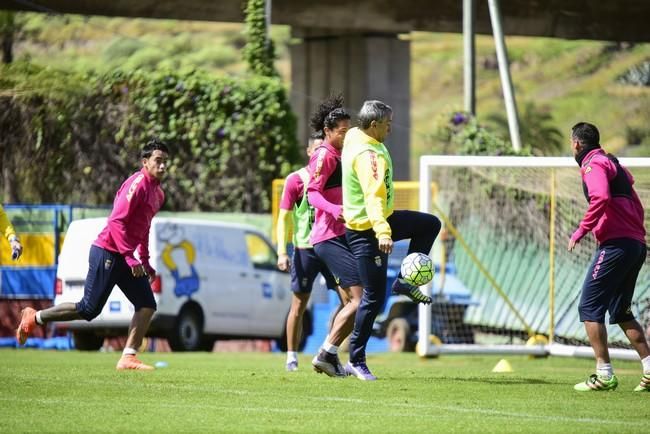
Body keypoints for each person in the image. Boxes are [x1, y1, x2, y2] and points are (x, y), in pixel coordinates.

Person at [16, 139, 170, 371]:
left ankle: (128, 357)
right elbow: (116, 221)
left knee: (147, 304)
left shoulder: (158, 194)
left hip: (126, 256)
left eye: (166, 162)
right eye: (158, 161)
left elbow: (144, 227)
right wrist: (129, 257)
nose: (163, 166)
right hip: (107, 251)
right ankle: (34, 317)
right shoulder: (136, 184)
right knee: (89, 309)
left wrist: (145, 260)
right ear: (145, 162)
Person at [342, 100, 441, 380]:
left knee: (429, 224)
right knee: (372, 299)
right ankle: (356, 360)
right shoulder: (369, 156)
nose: (391, 128)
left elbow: (346, 133)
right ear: (373, 125)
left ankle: (404, 281)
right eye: (387, 124)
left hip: (383, 218)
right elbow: (373, 197)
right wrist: (383, 233)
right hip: (368, 230)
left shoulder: (354, 135)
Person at [568, 122, 649, 392]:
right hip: (636, 244)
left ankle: (604, 373)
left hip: (616, 246)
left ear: (577, 144)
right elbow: (633, 198)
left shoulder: (593, 164)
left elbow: (600, 196)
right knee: (621, 311)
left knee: (589, 307)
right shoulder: (615, 164)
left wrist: (581, 229)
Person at [306, 96, 364, 378]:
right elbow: (312, 193)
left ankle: (329, 357)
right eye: (341, 131)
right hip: (328, 237)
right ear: (328, 132)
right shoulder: (325, 155)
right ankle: (326, 353)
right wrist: (335, 209)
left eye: (348, 130)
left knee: (349, 303)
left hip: (341, 236)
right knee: (359, 299)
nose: (345, 135)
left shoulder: (343, 155)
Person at [277, 132, 345, 372]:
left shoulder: (336, 174)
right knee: (299, 304)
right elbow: (284, 218)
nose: (321, 154)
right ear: (309, 152)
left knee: (349, 299)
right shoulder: (295, 180)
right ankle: (291, 357)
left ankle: (328, 349)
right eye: (317, 149)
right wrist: (281, 252)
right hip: (305, 248)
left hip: (331, 244)